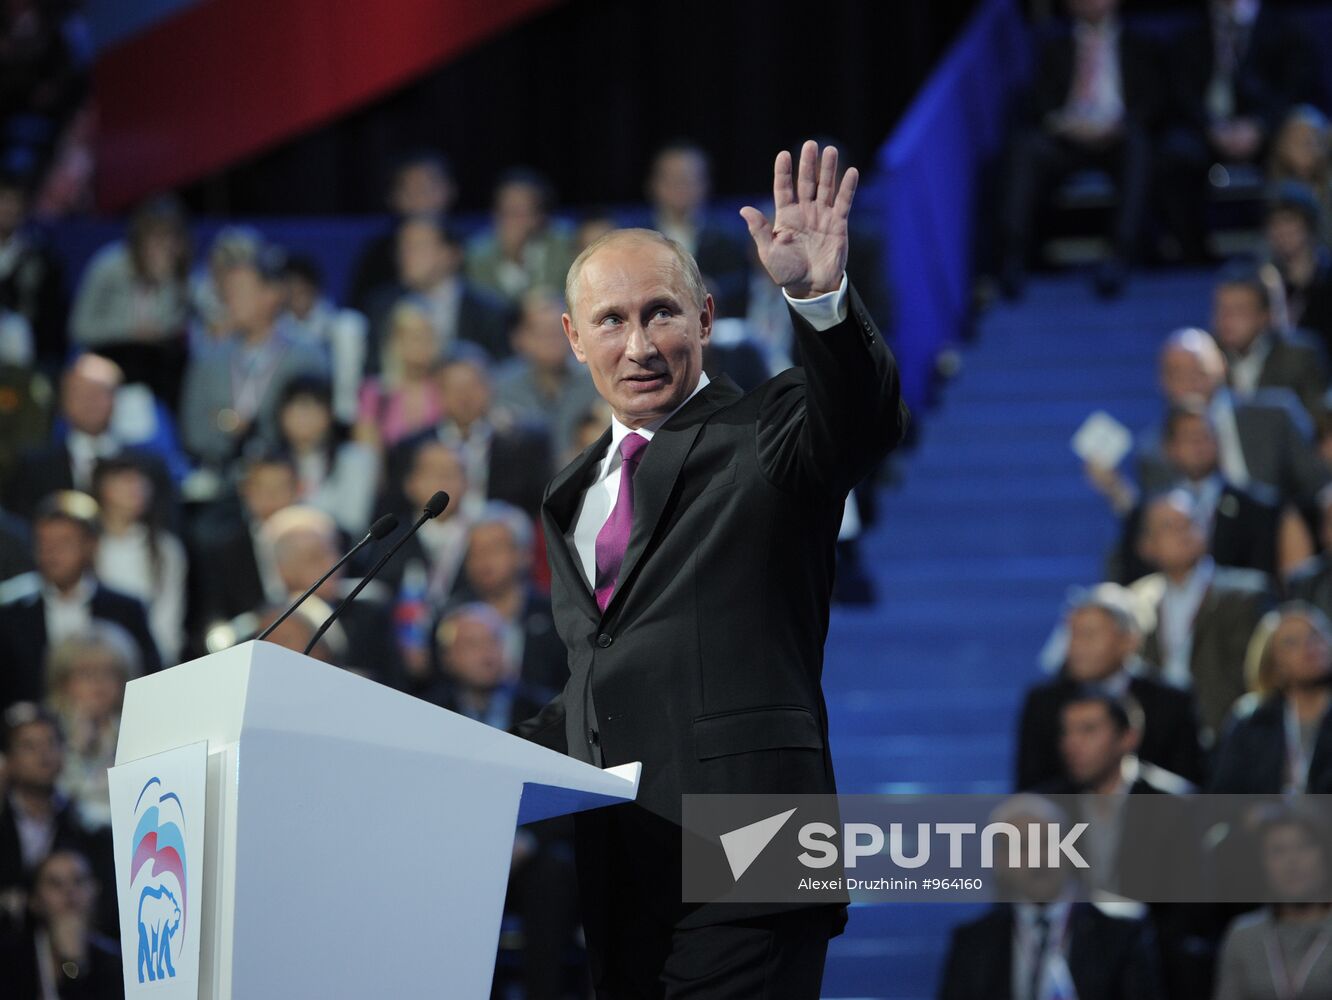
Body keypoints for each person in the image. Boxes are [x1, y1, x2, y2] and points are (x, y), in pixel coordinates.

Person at [511, 141, 908, 997]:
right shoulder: (569, 494)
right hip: (625, 870)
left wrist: (819, 298)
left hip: (757, 844)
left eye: (661, 313)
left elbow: (863, 416)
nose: (639, 345)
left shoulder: (769, 433)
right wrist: (471, 759)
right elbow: (601, 677)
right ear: (573, 338)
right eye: (610, 321)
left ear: (705, 317)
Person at [997, 0, 1159, 298]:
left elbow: (1153, 101)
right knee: (1024, 148)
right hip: (1067, 138)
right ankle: (1013, 256)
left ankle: (1120, 255)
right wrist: (1063, 123)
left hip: (1116, 137)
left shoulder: (1140, 45)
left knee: (1139, 147)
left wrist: (1118, 125)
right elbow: (1038, 102)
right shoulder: (1052, 46)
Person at [938, 794, 1163, 1000]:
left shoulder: (1121, 933)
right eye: (1022, 847)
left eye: (1047, 843)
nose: (1038, 859)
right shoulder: (973, 943)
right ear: (1000, 861)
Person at [1157, 0, 1316, 261]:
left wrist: (1260, 126)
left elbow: (1297, 87)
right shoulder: (1192, 31)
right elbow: (1181, 92)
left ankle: (1290, 251)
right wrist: (1211, 127)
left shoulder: (1285, 29)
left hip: (1266, 129)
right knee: (1175, 152)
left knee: (1297, 145)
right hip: (1207, 130)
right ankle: (1193, 255)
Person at [1016, 587, 1204, 790]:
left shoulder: (1171, 702)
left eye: (1089, 635)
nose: (1076, 646)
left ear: (1129, 641)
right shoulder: (1043, 702)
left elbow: (1190, 785)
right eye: (1072, 635)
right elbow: (1030, 791)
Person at [1131, 490, 1275, 737]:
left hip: (1228, 735)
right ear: (1147, 546)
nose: (1183, 532)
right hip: (1160, 738)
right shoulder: (1139, 601)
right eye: (1169, 526)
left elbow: (1255, 674)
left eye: (1190, 522)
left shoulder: (1246, 594)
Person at [0, 491, 159, 712]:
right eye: (44, 543)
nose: (52, 553)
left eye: (64, 542)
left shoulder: (126, 609)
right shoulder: (12, 618)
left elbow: (149, 680)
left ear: (90, 545)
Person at [179, 244, 328, 469]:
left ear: (272, 294)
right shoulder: (208, 356)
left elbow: (314, 425)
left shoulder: (307, 356)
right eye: (226, 293)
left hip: (288, 472)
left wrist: (234, 423)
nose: (229, 301)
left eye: (239, 291)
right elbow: (193, 429)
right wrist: (230, 426)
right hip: (218, 471)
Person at [1112, 406, 1286, 584]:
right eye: (1188, 438)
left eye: (1205, 436)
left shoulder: (1256, 508)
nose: (1198, 445)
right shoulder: (1147, 513)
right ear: (1169, 447)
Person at [5, 353, 175, 522]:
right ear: (62, 401)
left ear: (116, 400)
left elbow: (167, 525)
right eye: (79, 392)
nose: (89, 401)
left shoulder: (149, 468)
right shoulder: (32, 468)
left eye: (99, 392)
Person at [68, 196, 191, 407]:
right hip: (108, 355)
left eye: (170, 238)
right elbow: (78, 328)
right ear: (139, 238)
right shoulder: (108, 266)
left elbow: (169, 327)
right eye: (155, 236)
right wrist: (131, 331)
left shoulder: (178, 277)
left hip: (155, 367)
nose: (163, 246)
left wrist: (165, 280)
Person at [438, 501, 565, 694]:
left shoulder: (556, 615)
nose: (483, 560)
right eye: (475, 552)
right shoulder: (451, 614)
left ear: (524, 555)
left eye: (495, 549)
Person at [363, 215, 514, 369]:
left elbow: (503, 371)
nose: (405, 256)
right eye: (402, 248)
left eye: (417, 247)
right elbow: (374, 369)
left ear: (451, 255)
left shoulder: (490, 312)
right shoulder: (382, 307)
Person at [1213, 805, 1332, 1000]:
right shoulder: (1244, 936)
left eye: (1303, 846)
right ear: (1262, 863)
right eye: (1278, 851)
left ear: (1325, 855)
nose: (1292, 861)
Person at [1210, 603, 1332, 793]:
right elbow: (1224, 796)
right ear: (1274, 664)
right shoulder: (1251, 721)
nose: (1309, 646)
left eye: (1315, 635)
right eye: (1292, 642)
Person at [90, 455, 187, 665]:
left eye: (140, 480)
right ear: (103, 488)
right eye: (126, 480)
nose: (136, 488)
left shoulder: (165, 549)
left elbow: (168, 622)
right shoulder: (89, 547)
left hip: (150, 663)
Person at [44, 624, 138, 831]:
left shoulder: (136, 727)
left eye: (108, 673)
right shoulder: (47, 731)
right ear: (63, 683)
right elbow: (53, 798)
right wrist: (75, 747)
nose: (98, 683)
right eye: (86, 673)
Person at [492, 287, 601, 458]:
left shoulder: (596, 381)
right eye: (543, 331)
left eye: (558, 329)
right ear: (518, 337)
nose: (553, 339)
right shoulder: (499, 387)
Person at [0, 848, 124, 998]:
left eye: (78, 880)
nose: (69, 891)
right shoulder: (8, 960)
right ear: (34, 901)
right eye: (55, 884)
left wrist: (73, 965)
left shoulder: (116, 962)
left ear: (95, 890)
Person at [646, 142, 751, 317]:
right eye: (673, 179)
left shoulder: (729, 236)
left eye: (688, 179)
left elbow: (742, 283)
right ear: (654, 184)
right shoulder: (637, 237)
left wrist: (714, 288)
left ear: (705, 184)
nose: (680, 187)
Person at [1211, 266, 1327, 421]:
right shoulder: (1207, 357)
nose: (1227, 320)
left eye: (1239, 310)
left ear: (1264, 316)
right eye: (1222, 310)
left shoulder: (1298, 357)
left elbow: (1319, 421)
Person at [347, 151, 458, 312]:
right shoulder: (376, 258)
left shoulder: (473, 249)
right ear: (392, 198)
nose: (419, 198)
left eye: (427, 187)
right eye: (409, 189)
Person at [275, 375, 377, 536]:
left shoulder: (354, 459)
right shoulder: (270, 462)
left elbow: (353, 520)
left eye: (312, 409)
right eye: (297, 409)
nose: (304, 419)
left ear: (329, 414)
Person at [280, 253, 368, 425]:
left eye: (301, 289)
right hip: (290, 406)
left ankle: (343, 419)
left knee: (349, 326)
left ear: (314, 288)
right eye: (290, 290)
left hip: (334, 402)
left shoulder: (339, 324)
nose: (296, 295)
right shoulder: (277, 327)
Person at [466, 168, 575, 305]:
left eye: (520, 212)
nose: (510, 220)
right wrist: (510, 256)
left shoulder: (564, 244)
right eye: (505, 211)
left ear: (539, 217)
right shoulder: (477, 255)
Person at [353, 296, 447, 449]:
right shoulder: (376, 393)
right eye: (415, 336)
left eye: (429, 335)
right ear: (395, 341)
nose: (423, 343)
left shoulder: (445, 390)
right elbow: (365, 451)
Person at [0, 170, 64, 371]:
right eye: (3, 201)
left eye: (14, 202)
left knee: (15, 330)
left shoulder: (39, 256)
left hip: (20, 340)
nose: (8, 208)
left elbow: (49, 315)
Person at [1263, 181, 1332, 351]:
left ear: (1309, 225)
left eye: (1289, 221)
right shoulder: (1267, 281)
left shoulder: (1327, 278)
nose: (1282, 231)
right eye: (1275, 224)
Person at [1267, 105, 1332, 245]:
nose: (1308, 148)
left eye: (1314, 140)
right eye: (1298, 140)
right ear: (1283, 145)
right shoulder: (1275, 192)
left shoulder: (1328, 187)